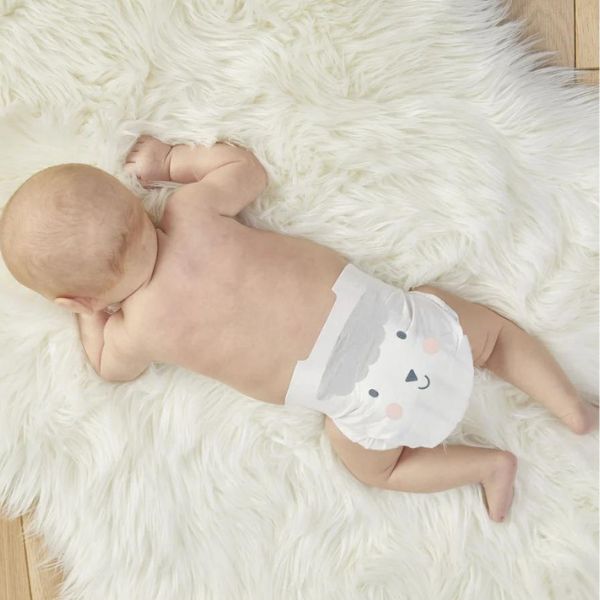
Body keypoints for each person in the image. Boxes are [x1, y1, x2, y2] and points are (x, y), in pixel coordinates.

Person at [1, 135, 596, 523]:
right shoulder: (190, 213)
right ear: (135, 203)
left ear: (72, 296)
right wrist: (172, 164)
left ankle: (486, 466)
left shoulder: (137, 331)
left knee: (375, 467)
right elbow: (247, 170)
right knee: (491, 338)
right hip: (398, 323)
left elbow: (106, 368)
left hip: (363, 404)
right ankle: (571, 408)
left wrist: (91, 319)